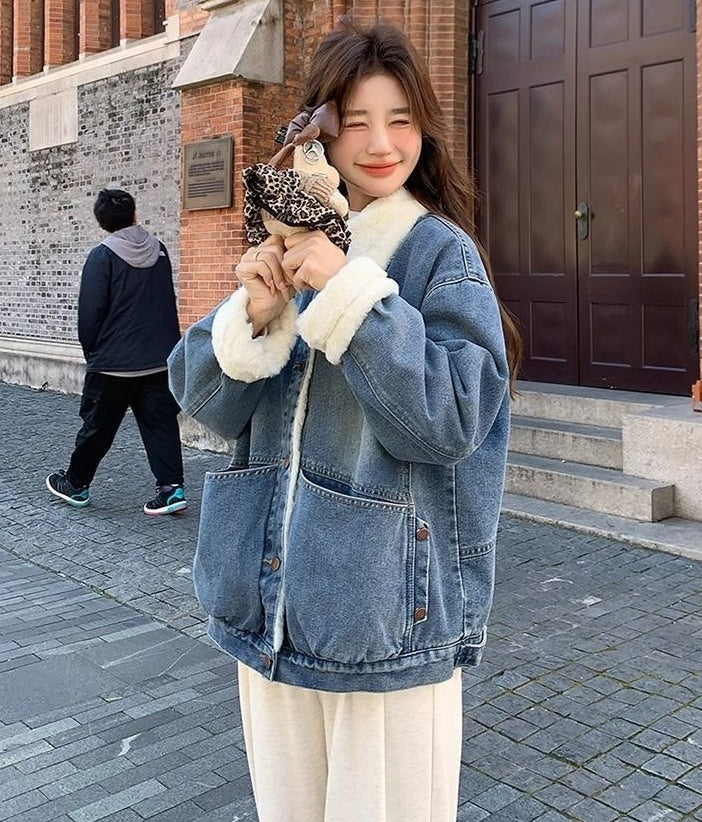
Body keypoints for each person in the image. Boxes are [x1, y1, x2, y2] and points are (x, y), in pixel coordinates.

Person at [168, 19, 521, 822]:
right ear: (320, 132)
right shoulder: (292, 242)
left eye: (400, 119)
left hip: (383, 618)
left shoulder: (439, 255)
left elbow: (450, 419)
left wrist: (350, 297)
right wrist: (257, 315)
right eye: (354, 120)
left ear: (425, 127)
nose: (380, 142)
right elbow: (203, 403)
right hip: (270, 609)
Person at [47, 189, 187, 516]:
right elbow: (167, 305)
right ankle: (171, 489)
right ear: (134, 215)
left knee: (97, 427)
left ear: (101, 221)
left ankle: (76, 484)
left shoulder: (101, 256)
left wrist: (93, 354)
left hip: (113, 365)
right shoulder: (160, 251)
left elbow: (90, 314)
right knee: (161, 424)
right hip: (158, 361)